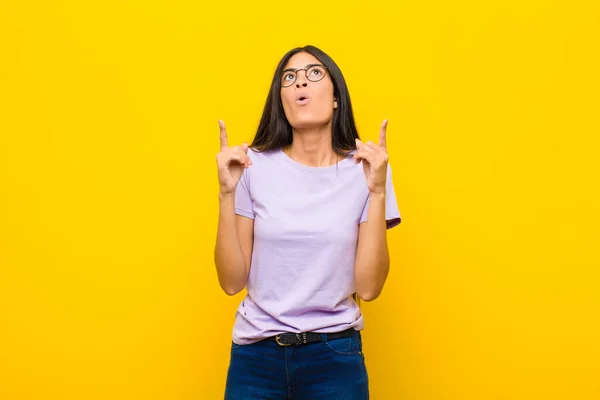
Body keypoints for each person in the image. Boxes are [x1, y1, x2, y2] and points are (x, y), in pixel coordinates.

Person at [214, 45, 401, 400]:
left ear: (335, 97)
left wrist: (377, 192)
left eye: (314, 73)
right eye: (290, 77)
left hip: (334, 359)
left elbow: (370, 288)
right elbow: (231, 281)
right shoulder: (252, 166)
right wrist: (226, 194)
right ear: (280, 99)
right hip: (256, 358)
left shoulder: (367, 168)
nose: (301, 82)